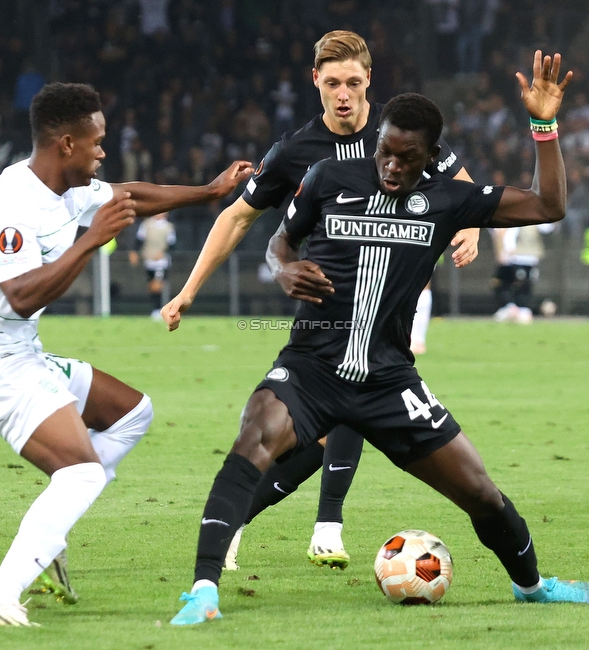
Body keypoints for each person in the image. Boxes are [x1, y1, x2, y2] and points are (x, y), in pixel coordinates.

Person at [171, 52, 589, 627]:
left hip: (389, 382)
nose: (392, 166)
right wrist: (283, 270)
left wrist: (544, 127)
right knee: (254, 435)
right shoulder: (328, 177)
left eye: (407, 158)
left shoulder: (452, 201)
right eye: (385, 152)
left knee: (479, 492)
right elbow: (279, 241)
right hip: (312, 366)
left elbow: (549, 204)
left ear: (431, 158)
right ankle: (203, 592)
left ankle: (533, 587)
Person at [161, 30, 482, 572]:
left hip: (387, 312)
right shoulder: (295, 151)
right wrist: (188, 291)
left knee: (333, 422)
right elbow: (238, 216)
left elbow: (462, 187)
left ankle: (295, 522)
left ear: (368, 82)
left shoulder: (402, 135)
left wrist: (469, 227)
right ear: (316, 81)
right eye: (332, 82)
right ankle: (321, 527)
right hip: (328, 312)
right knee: (332, 417)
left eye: (353, 82)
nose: (343, 93)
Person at [0, 82, 251, 627]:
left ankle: (47, 538)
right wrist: (90, 241)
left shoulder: (69, 187)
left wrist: (208, 192)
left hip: (19, 352)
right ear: (65, 144)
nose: (103, 152)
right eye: (97, 142)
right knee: (81, 475)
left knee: (133, 413)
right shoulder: (14, 203)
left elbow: (130, 196)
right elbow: (21, 295)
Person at [490, 224, 555, 323]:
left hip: (526, 257)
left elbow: (547, 227)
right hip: (512, 257)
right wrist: (503, 251)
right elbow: (500, 233)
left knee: (523, 284)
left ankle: (521, 309)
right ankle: (509, 308)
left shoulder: (532, 215)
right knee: (503, 282)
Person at [128, 212, 176, 318]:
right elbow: (139, 240)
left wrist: (163, 252)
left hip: (161, 262)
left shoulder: (168, 227)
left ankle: (158, 310)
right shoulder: (146, 225)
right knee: (151, 286)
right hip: (149, 260)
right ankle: (156, 308)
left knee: (157, 285)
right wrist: (134, 252)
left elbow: (172, 244)